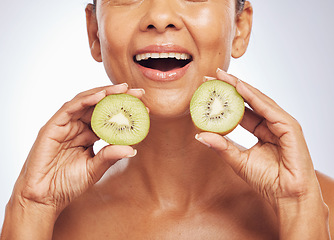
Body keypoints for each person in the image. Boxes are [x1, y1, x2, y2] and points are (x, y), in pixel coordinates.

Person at [1, 0, 334, 239]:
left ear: (240, 28)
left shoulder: (318, 200)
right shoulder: (46, 216)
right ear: (95, 32)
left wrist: (299, 211)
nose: (159, 16)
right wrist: (31, 209)